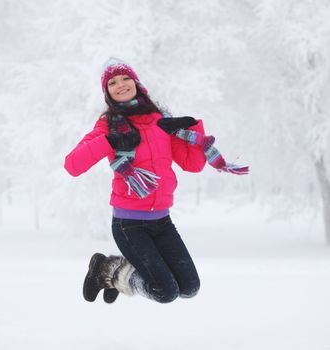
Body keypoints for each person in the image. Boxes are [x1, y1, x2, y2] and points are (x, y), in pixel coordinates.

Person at [64, 57, 248, 304]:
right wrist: (109, 142)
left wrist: (194, 130)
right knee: (165, 292)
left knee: (190, 287)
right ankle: (109, 271)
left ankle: (113, 268)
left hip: (162, 221)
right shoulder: (107, 126)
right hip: (128, 225)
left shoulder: (159, 120)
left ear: (136, 82)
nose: (121, 84)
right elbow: (72, 165)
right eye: (112, 82)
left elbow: (192, 165)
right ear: (107, 92)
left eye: (126, 78)